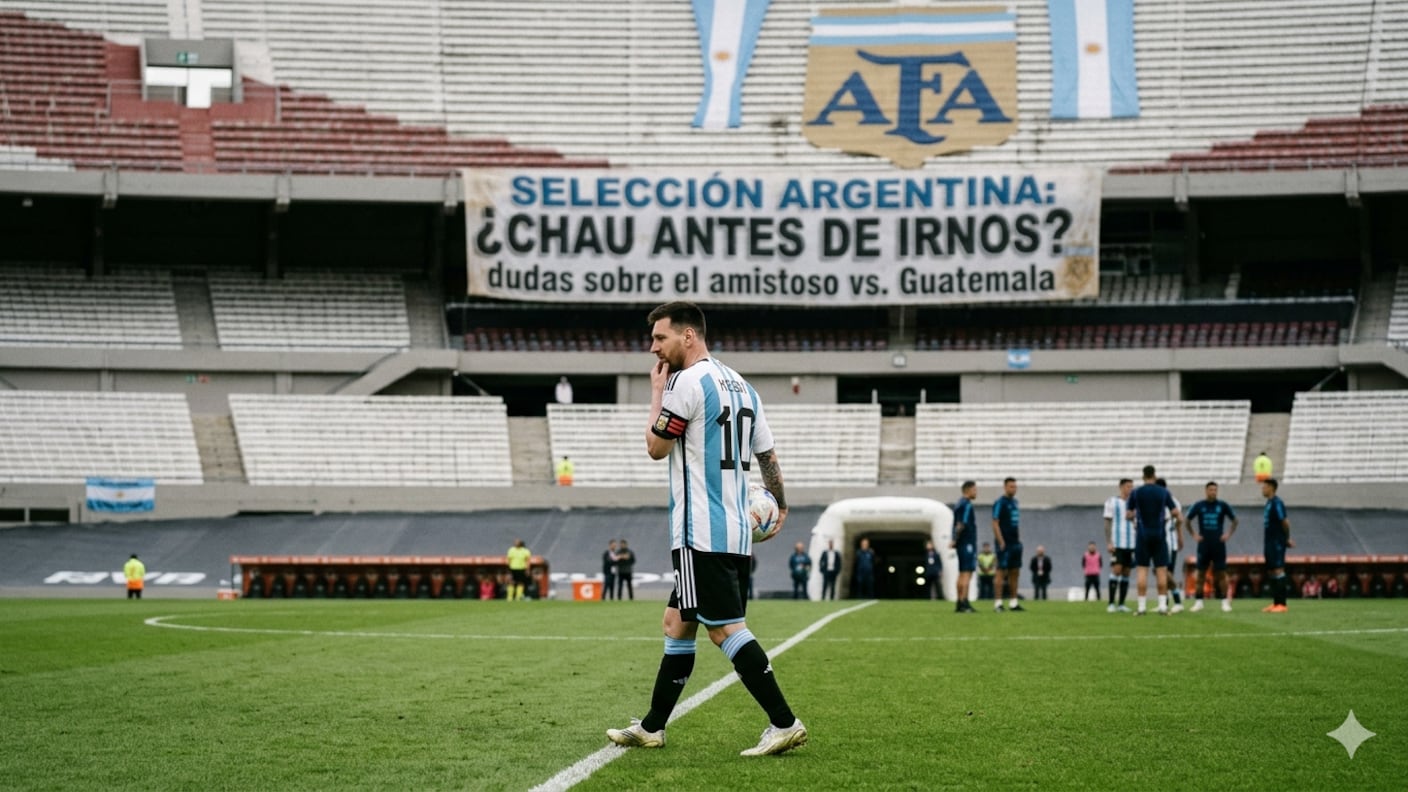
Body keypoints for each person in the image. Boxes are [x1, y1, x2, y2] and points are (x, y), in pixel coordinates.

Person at [607, 301, 806, 757]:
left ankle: (785, 722)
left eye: (660, 338)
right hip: (735, 531)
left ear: (688, 336)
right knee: (677, 622)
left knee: (724, 629)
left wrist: (656, 393)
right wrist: (780, 506)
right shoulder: (743, 387)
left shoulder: (684, 383)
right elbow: (767, 458)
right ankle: (653, 726)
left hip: (701, 532)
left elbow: (657, 447)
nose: (653, 347)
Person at [1126, 465, 1180, 616]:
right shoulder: (1163, 492)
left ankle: (1142, 607)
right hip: (1159, 535)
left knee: (1142, 570)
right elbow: (1175, 512)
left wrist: (1135, 519)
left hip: (1142, 536)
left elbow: (1128, 515)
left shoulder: (1136, 492)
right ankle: (1162, 606)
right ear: (1154, 476)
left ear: (1143, 476)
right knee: (1161, 570)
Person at [1184, 481, 1238, 612]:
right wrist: (1194, 535)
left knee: (1221, 573)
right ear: (1206, 491)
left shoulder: (1223, 505)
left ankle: (1225, 602)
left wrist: (1228, 534)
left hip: (1218, 544)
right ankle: (1198, 602)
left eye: (1215, 490)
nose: (1213, 492)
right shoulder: (1199, 505)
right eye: (1211, 490)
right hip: (1204, 544)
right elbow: (1187, 520)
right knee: (1201, 573)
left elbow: (1235, 520)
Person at [1261, 478, 1294, 613]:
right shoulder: (1269, 503)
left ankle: (1282, 604)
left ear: (1271, 488)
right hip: (1269, 542)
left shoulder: (1277, 503)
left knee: (1278, 570)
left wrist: (1286, 538)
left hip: (1277, 542)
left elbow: (1285, 522)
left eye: (1265, 487)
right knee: (1271, 571)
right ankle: (1275, 603)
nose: (1262, 489)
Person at [991, 477, 1024, 612]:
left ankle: (1013, 602)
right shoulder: (1000, 502)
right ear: (1005, 487)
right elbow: (995, 522)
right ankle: (998, 603)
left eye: (1015, 487)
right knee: (1001, 572)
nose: (1013, 489)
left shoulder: (1015, 502)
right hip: (1004, 543)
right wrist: (1000, 541)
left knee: (1014, 572)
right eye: (1011, 487)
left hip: (1015, 543)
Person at [1103, 478, 1135, 613]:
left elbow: (1137, 522)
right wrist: (1109, 541)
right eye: (1128, 486)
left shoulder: (1135, 503)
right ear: (1121, 487)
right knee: (1116, 570)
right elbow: (1107, 522)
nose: (1130, 489)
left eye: (1131, 487)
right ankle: (1111, 603)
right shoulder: (1112, 501)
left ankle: (1121, 604)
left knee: (1127, 572)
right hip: (1118, 542)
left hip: (1131, 543)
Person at [1156, 478, 1185, 613]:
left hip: (1169, 541)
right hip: (1158, 541)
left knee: (1165, 572)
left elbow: (1179, 519)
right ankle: (1164, 603)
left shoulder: (1171, 501)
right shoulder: (1158, 500)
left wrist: (1179, 537)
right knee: (1161, 573)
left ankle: (1178, 600)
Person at [950, 481, 978, 613]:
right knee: (967, 574)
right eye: (974, 490)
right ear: (968, 490)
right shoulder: (966, 505)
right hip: (967, 542)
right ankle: (964, 602)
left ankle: (959, 602)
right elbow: (962, 524)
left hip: (962, 543)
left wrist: (955, 540)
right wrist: (955, 539)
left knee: (961, 573)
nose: (976, 492)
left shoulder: (958, 503)